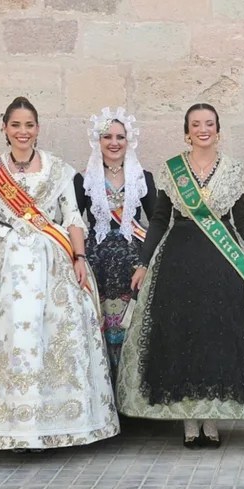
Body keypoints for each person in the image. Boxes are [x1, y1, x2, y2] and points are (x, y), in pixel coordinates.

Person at [0, 97, 119, 451]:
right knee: (5, 340)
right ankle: (9, 428)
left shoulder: (59, 170)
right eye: (16, 125)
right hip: (0, 264)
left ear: (38, 128)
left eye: (29, 125)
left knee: (47, 337)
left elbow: (72, 219)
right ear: (4, 128)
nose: (23, 131)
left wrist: (79, 257)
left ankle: (47, 424)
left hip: (50, 262)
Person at [119, 103, 244, 446]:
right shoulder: (172, 171)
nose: (203, 129)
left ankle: (212, 418)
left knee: (217, 336)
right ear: (187, 132)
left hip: (222, 264)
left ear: (218, 130)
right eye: (196, 124)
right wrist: (143, 262)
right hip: (178, 262)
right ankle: (189, 420)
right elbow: (158, 219)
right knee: (183, 337)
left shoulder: (233, 170)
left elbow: (243, 220)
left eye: (209, 123)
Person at [73, 107, 155, 380]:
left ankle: (131, 388)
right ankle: (103, 389)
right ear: (98, 141)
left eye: (120, 136)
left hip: (133, 262)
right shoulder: (83, 179)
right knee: (100, 324)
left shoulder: (144, 177)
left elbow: (156, 222)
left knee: (131, 324)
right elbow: (73, 221)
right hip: (98, 264)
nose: (114, 142)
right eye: (107, 136)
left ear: (128, 141)